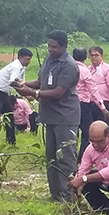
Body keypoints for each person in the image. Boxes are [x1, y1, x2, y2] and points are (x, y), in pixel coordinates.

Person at [13, 30, 80, 203]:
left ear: (64, 46)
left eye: (54, 47)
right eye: (49, 46)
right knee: (51, 156)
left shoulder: (69, 65)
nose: (50, 49)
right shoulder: (50, 60)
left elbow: (57, 92)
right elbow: (41, 81)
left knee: (65, 157)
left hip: (65, 117)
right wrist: (24, 84)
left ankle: (69, 196)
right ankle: (55, 194)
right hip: (50, 116)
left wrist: (33, 93)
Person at [0, 48, 33, 145]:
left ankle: (11, 142)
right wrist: (28, 94)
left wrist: (28, 93)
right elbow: (13, 82)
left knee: (10, 117)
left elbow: (22, 84)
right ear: (20, 57)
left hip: (3, 92)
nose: (29, 62)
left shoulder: (21, 67)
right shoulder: (15, 66)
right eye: (27, 59)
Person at [73, 47, 108, 159]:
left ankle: (70, 155)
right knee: (87, 131)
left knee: (71, 130)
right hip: (83, 104)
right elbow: (93, 90)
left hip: (68, 104)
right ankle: (82, 156)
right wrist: (102, 107)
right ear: (85, 58)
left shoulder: (68, 68)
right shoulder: (84, 71)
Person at [89, 46, 109, 118]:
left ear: (101, 56)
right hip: (90, 102)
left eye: (96, 55)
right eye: (92, 55)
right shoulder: (88, 69)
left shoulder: (108, 69)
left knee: (103, 126)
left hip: (104, 101)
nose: (94, 57)